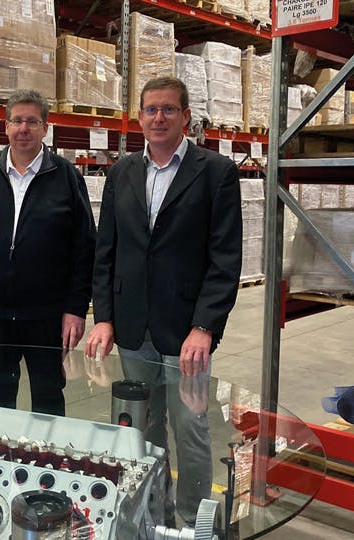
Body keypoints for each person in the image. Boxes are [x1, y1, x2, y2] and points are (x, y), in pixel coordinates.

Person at [85, 76, 242, 525]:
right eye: (151, 109)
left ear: (185, 117)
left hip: (185, 330)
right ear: (138, 118)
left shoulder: (215, 172)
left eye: (169, 109)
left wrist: (205, 326)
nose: (159, 117)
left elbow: (225, 258)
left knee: (190, 428)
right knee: (142, 427)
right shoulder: (121, 173)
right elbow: (106, 251)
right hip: (133, 327)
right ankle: (152, 516)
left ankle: (192, 523)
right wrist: (105, 318)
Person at [0, 89, 96, 416]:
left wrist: (75, 308)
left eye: (32, 121)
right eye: (16, 121)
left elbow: (85, 250)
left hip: (48, 317)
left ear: (45, 128)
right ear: (6, 127)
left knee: (48, 400)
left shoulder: (66, 177)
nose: (23, 129)